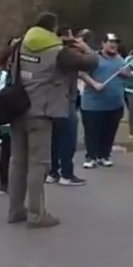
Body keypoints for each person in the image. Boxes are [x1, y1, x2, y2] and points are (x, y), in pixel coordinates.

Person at [9, 12, 98, 228]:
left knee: (18, 162)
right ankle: (37, 214)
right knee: (38, 164)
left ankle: (15, 210)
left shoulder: (21, 44)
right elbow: (91, 62)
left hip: (17, 108)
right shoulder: (58, 52)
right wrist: (82, 45)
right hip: (42, 111)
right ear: (53, 29)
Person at [80, 33, 129, 169]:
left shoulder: (121, 60)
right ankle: (91, 156)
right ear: (103, 44)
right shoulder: (93, 58)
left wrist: (125, 74)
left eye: (115, 42)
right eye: (110, 42)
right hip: (92, 104)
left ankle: (104, 155)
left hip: (114, 104)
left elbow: (127, 75)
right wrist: (94, 83)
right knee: (92, 131)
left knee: (109, 132)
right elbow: (81, 73)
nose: (113, 45)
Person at [47, 26, 88, 186]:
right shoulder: (66, 54)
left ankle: (53, 172)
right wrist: (83, 47)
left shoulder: (47, 52)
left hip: (51, 100)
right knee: (68, 138)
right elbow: (91, 61)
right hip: (65, 99)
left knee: (54, 139)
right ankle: (66, 173)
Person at [0, 40, 17, 194]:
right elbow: (0, 93)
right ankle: (4, 183)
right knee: (6, 151)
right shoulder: (2, 74)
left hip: (18, 117)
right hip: (7, 118)